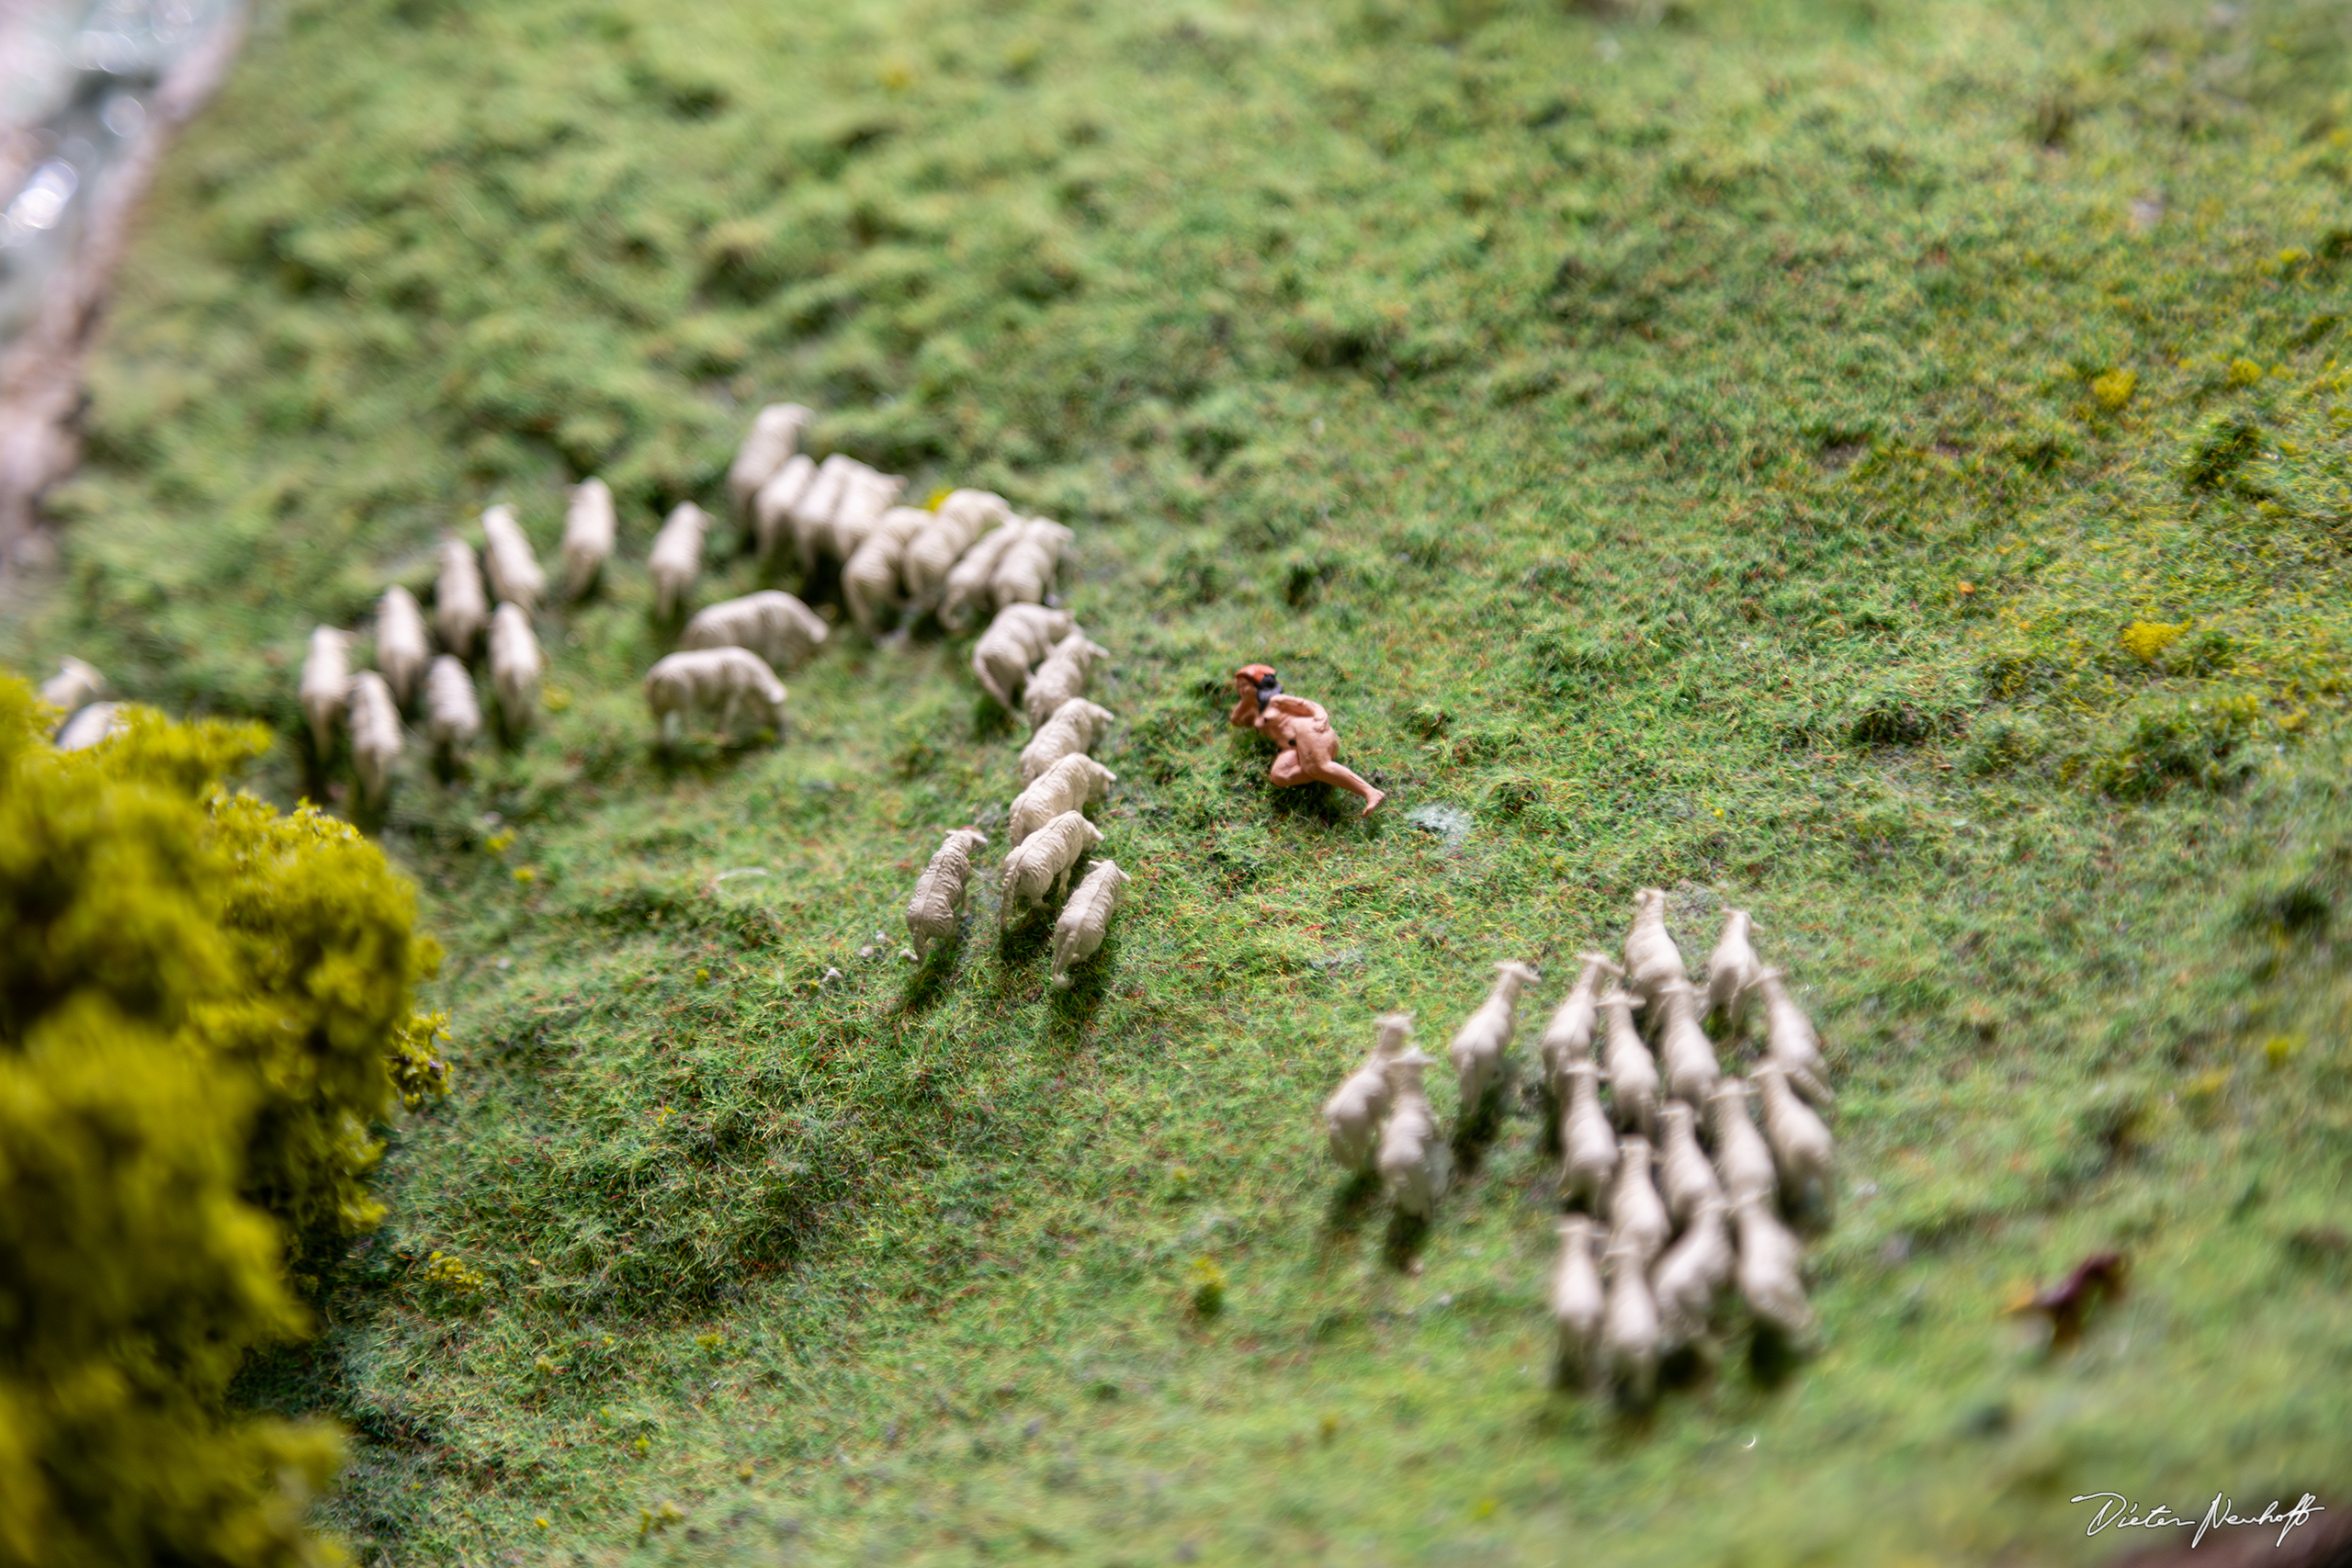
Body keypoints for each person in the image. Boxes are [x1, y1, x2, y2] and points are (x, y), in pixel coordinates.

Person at [1227, 663, 1384, 817]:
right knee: (1280, 776)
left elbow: (1306, 705)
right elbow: (1235, 720)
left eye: (1245, 685)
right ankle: (1320, 771)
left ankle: (1370, 792)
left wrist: (1321, 716)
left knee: (1317, 767)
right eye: (1239, 687)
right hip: (1292, 748)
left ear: (1260, 685)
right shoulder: (1255, 712)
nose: (1241, 690)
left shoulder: (1276, 701)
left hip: (1306, 730)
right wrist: (1247, 699)